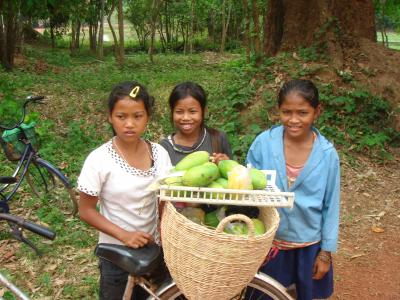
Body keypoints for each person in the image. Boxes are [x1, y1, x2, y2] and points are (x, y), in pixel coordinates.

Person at [246, 79, 340, 300]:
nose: (294, 119)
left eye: (303, 112)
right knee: (264, 295)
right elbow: (248, 187)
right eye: (286, 112)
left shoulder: (327, 155)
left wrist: (325, 254)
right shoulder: (263, 144)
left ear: (317, 111)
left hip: (309, 246)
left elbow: (331, 205)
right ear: (278, 110)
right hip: (270, 245)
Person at [77, 81, 172, 300]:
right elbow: (86, 210)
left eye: (137, 116)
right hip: (116, 254)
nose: (129, 124)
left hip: (152, 250)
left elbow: (165, 197)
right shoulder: (99, 160)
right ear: (110, 117)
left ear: (148, 117)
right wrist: (124, 235)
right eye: (121, 116)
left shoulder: (159, 154)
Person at [159, 81, 232, 166]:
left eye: (192, 111)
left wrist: (226, 163)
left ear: (204, 111)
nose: (186, 118)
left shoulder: (218, 139)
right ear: (172, 112)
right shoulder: (164, 148)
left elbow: (233, 175)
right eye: (179, 112)